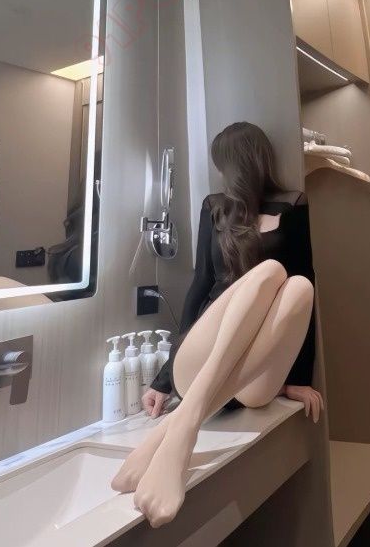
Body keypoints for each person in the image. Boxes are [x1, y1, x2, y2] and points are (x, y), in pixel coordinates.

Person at [111, 122, 322, 528]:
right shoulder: (215, 208)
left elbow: (302, 302)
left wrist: (295, 378)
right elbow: (200, 286)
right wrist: (163, 379)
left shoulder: (292, 207)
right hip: (203, 359)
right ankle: (186, 427)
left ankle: (174, 430)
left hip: (253, 379)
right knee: (270, 271)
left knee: (299, 286)